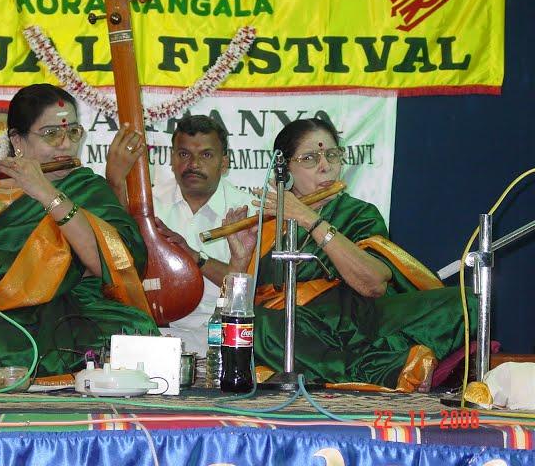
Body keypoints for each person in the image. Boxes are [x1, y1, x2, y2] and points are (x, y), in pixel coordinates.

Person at [0, 84, 158, 381]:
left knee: (134, 341)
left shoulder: (87, 189)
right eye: (52, 134)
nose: (66, 144)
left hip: (66, 312)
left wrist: (46, 193)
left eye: (74, 132)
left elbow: (113, 261)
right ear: (17, 140)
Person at [225, 115, 478, 390]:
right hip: (296, 331)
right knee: (255, 326)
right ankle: (383, 368)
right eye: (310, 158)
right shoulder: (267, 224)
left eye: (332, 155)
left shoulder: (359, 214)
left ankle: (334, 370)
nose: (326, 167)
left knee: (466, 304)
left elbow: (374, 286)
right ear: (284, 169)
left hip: (360, 323)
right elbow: (232, 307)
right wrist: (240, 257)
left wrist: (312, 221)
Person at [107, 115, 256, 356]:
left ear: (225, 163)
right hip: (158, 334)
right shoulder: (146, 207)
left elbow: (252, 288)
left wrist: (193, 256)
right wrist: (115, 183)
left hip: (227, 334)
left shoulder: (249, 212)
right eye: (184, 154)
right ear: (172, 159)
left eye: (206, 155)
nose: (194, 164)